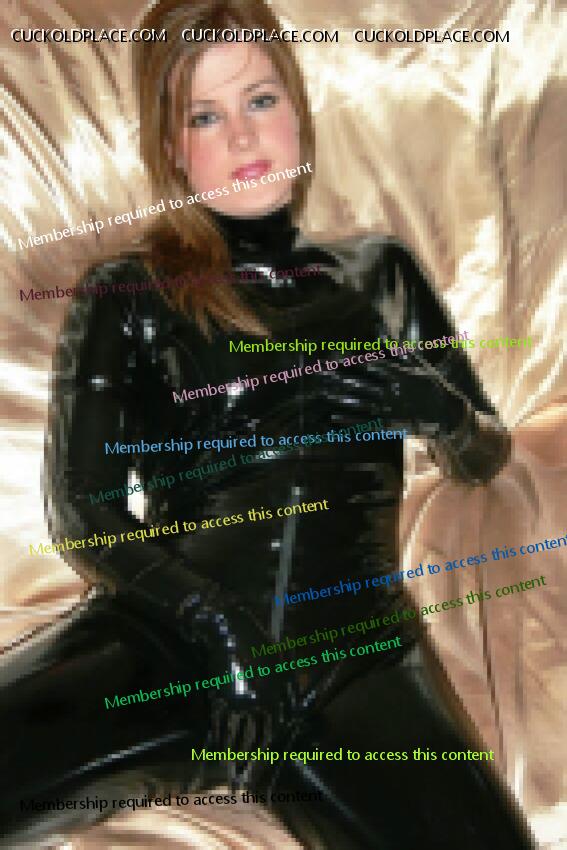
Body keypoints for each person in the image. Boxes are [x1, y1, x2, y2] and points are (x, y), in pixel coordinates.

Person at [0, 1, 534, 847]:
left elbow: (482, 454)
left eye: (259, 99)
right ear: (172, 148)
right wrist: (218, 628)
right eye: (205, 116)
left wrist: (440, 410)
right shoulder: (129, 292)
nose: (244, 136)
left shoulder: (380, 273)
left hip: (356, 660)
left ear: (297, 107)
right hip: (169, 641)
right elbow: (82, 510)